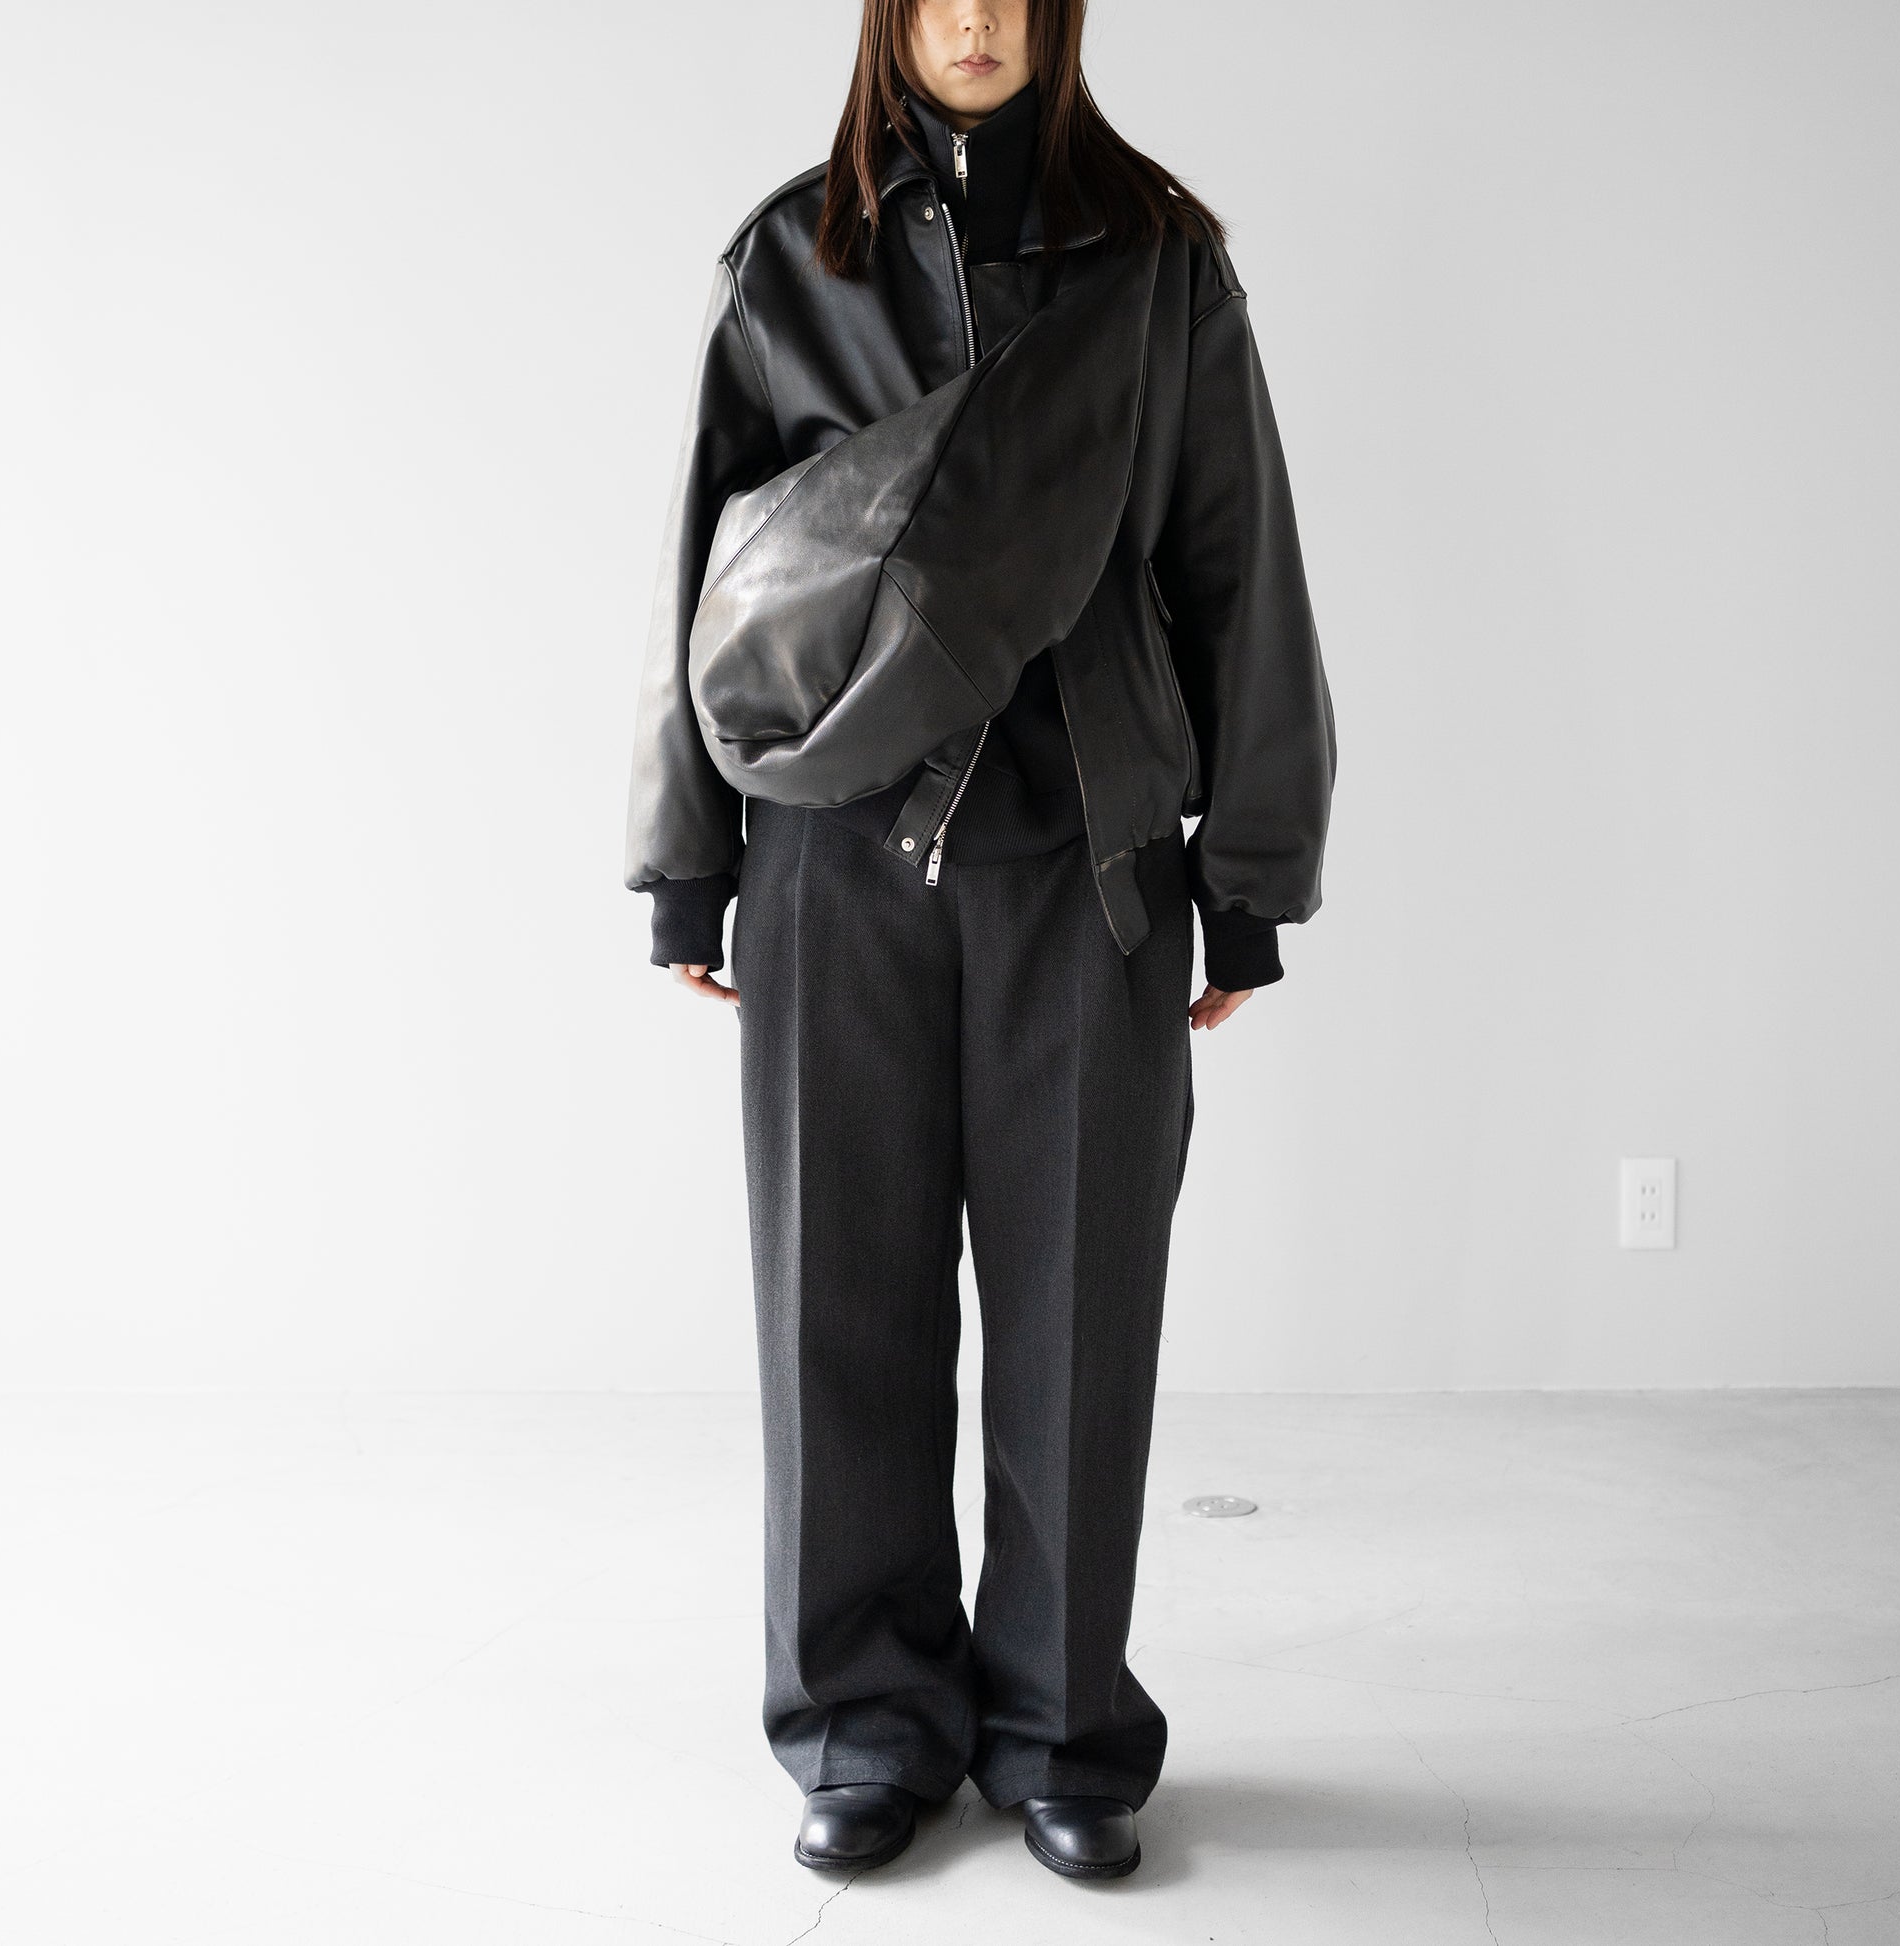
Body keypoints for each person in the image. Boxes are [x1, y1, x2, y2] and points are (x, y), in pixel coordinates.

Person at [623, 0, 1334, 1886]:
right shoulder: (791, 256)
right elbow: (707, 577)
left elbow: (1238, 566)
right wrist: (686, 861)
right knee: (833, 1309)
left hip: (1087, 863)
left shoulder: (1158, 262)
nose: (976, 13)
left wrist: (1250, 874)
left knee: (1075, 1321)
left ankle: (1059, 1726)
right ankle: (862, 1720)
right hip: (829, 866)